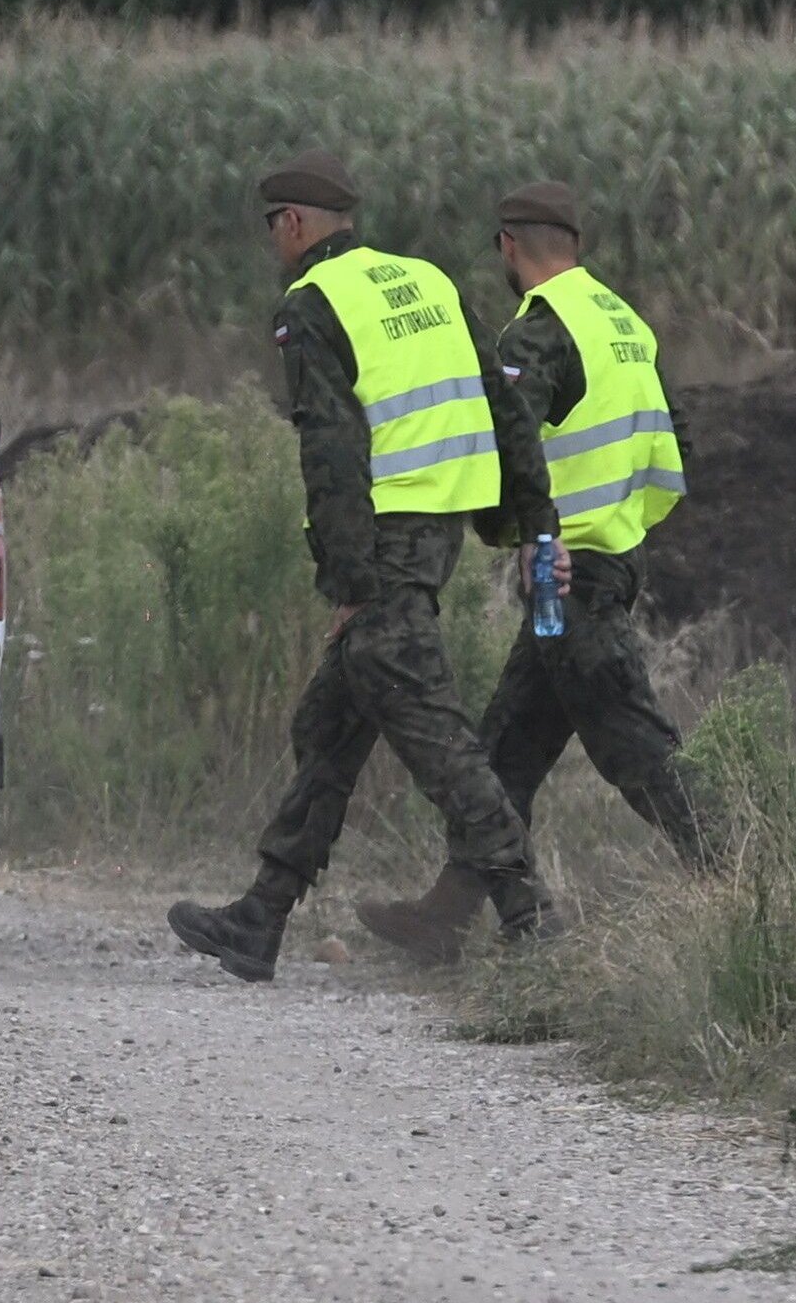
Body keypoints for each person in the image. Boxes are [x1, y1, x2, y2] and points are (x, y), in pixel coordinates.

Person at [167, 151, 555, 983]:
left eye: (272, 227)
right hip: (442, 529)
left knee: (440, 742)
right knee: (329, 726)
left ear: (293, 224)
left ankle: (533, 920)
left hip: (383, 543)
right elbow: (506, 407)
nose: (273, 242)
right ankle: (261, 916)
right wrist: (533, 523)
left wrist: (347, 583)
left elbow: (333, 451)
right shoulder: (427, 280)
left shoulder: (313, 302)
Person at [361, 180, 696, 965]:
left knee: (640, 754)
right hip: (605, 563)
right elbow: (677, 444)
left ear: (509, 247)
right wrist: (618, 531)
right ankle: (445, 917)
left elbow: (509, 437)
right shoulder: (625, 323)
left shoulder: (541, 331)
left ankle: (752, 881)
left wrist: (527, 533)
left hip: (566, 577)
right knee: (507, 751)